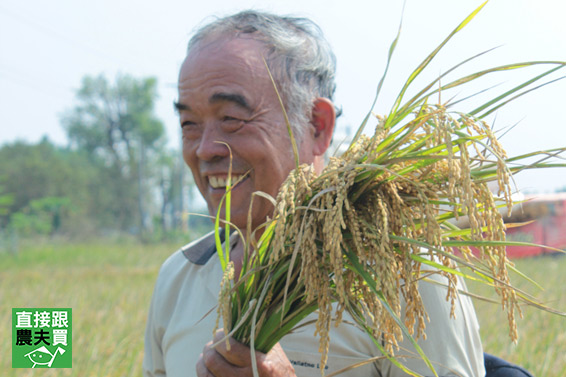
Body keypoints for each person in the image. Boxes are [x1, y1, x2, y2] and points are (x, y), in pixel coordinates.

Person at [143, 10, 485, 377]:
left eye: (231, 118)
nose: (205, 149)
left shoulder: (407, 277)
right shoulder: (180, 276)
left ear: (317, 125)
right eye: (189, 125)